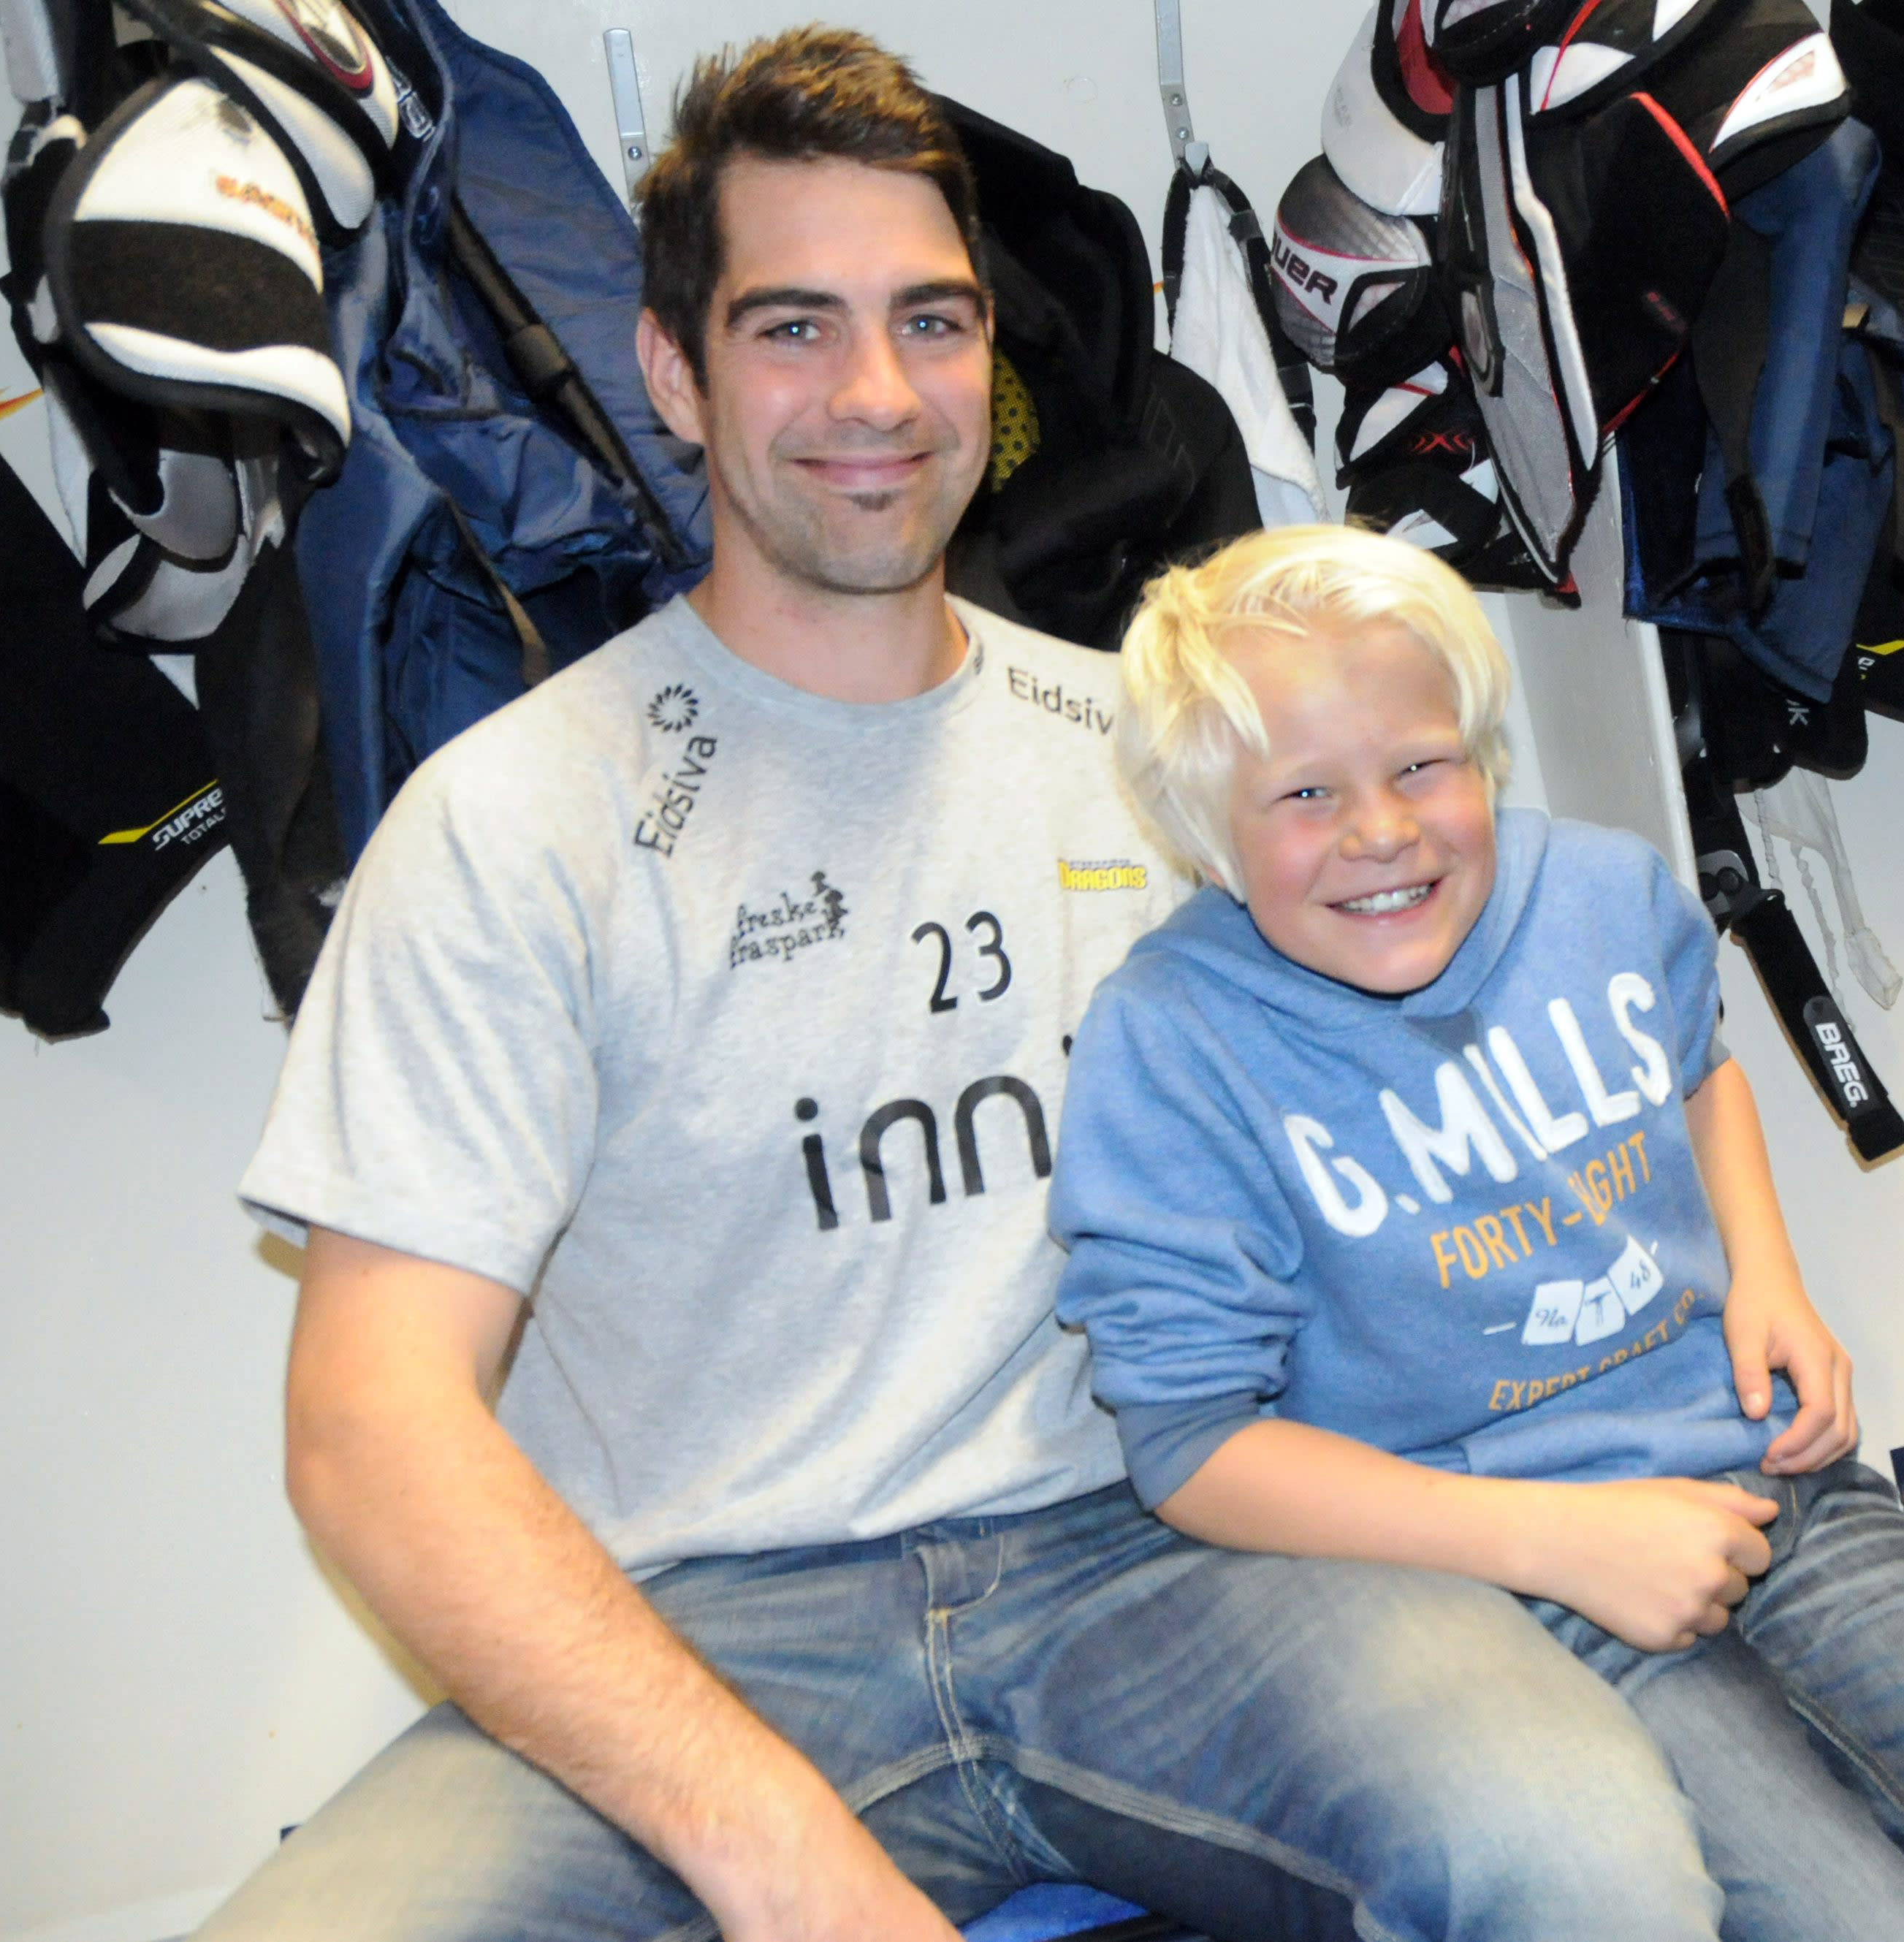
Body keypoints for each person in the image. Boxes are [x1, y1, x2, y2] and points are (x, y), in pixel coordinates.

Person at [198, 31, 1746, 1942]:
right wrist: (778, 1853)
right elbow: (371, 1431)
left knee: (1581, 1859)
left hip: (1158, 1561)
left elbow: (1517, 1067)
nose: (875, 393)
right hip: (706, 1620)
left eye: (928, 321)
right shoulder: (515, 822)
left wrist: (1673, 1365)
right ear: (670, 371)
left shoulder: (1174, 769)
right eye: (792, 328)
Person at [1049, 524, 1904, 1942]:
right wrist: (1558, 1541)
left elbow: (1700, 1071)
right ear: (1203, 830)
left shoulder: (1603, 891)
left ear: (1481, 753)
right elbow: (1190, 1449)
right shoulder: (1170, 1041)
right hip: (1503, 1584)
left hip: (1778, 1493)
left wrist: (1768, 1278)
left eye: (1420, 765)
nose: (1381, 830)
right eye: (1305, 793)